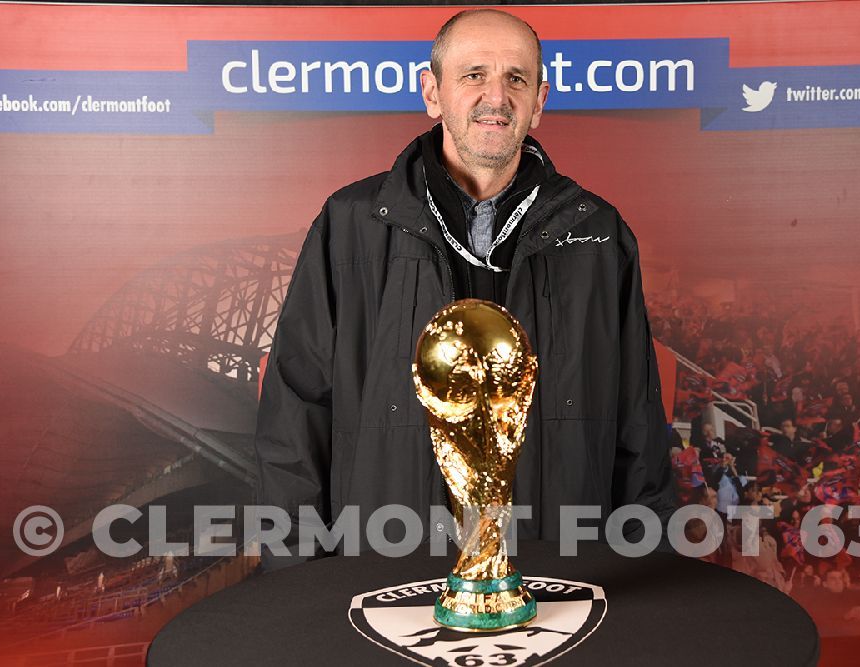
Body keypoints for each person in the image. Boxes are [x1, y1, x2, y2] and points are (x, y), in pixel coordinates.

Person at [254, 9, 676, 572]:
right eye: (473, 75)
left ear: (540, 101)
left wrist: (645, 569)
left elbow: (638, 425)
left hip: (559, 570)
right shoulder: (351, 224)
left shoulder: (597, 233)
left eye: (516, 79)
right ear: (433, 92)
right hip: (387, 566)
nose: (496, 97)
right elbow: (295, 411)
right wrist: (294, 578)